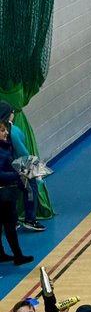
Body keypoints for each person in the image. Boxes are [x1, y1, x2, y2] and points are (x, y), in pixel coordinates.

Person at [0, 102, 47, 232]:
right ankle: (30, 220)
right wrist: (36, 174)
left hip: (5, 170)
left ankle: (12, 221)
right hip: (10, 169)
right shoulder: (13, 131)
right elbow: (24, 154)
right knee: (30, 188)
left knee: (10, 194)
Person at [0, 121, 34, 265]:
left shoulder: (5, 147)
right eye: (2, 131)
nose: (6, 133)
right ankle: (18, 256)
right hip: (3, 193)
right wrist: (17, 175)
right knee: (9, 225)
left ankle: (1, 254)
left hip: (6, 191)